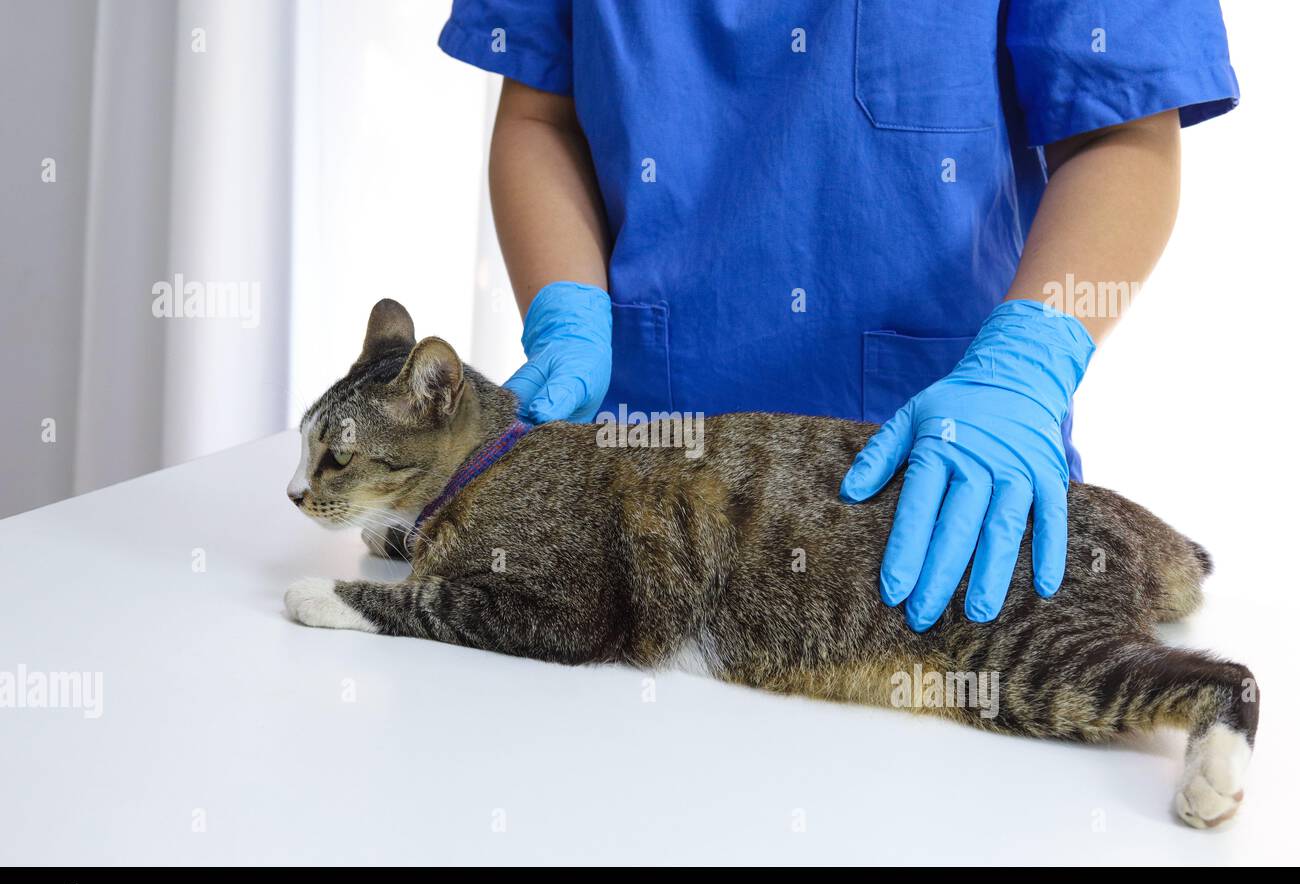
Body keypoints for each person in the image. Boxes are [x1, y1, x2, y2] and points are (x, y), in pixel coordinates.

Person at [438, 1, 1237, 631]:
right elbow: (540, 116)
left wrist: (1031, 360)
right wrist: (566, 312)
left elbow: (1124, 135)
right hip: (634, 517)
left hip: (937, 508)